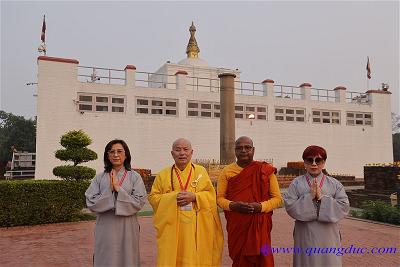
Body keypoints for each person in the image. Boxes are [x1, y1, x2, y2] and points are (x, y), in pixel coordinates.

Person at [148, 138, 224, 267]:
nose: (182, 153)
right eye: (177, 150)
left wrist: (194, 197)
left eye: (185, 149)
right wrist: (173, 198)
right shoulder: (163, 174)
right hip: (173, 227)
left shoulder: (200, 171)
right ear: (172, 154)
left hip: (197, 226)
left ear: (191, 152)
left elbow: (211, 196)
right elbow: (153, 198)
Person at [217, 136, 283, 267]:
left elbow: (277, 199)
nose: (243, 150)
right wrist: (232, 205)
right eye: (239, 148)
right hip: (237, 223)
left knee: (262, 259)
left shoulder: (265, 170)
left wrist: (260, 207)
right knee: (239, 258)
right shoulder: (227, 171)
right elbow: (219, 198)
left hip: (259, 223)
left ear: (253, 150)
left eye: (247, 147)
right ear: (234, 151)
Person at [284, 145, 350, 267]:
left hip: (328, 234)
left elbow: (344, 206)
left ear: (324, 162)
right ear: (304, 163)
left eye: (318, 160)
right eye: (310, 160)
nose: (314, 164)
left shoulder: (335, 184)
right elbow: (290, 206)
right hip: (305, 233)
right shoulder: (296, 183)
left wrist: (322, 198)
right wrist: (309, 197)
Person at [85, 139, 147, 267]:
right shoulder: (100, 177)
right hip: (105, 226)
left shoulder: (134, 177)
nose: (116, 155)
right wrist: (110, 190)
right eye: (112, 152)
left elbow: (139, 201)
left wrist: (119, 189)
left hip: (128, 226)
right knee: (106, 258)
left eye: (119, 151)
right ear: (107, 156)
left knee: (128, 258)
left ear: (126, 155)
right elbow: (90, 201)